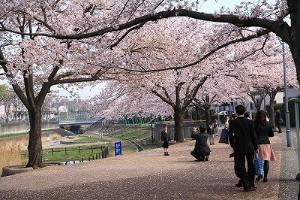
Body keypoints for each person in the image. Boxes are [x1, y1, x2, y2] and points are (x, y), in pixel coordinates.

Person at [229, 105, 258, 192]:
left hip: (239, 146)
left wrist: (234, 145)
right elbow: (253, 135)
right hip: (249, 146)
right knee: (251, 165)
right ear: (244, 111)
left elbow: (230, 136)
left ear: (236, 112)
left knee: (241, 166)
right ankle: (251, 184)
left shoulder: (233, 122)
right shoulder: (250, 122)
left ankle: (245, 184)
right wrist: (255, 146)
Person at [254, 110, 276, 182]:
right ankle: (265, 177)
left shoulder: (254, 124)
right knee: (266, 160)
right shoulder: (267, 124)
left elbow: (253, 134)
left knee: (257, 160)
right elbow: (272, 134)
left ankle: (259, 175)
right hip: (266, 143)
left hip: (257, 143)